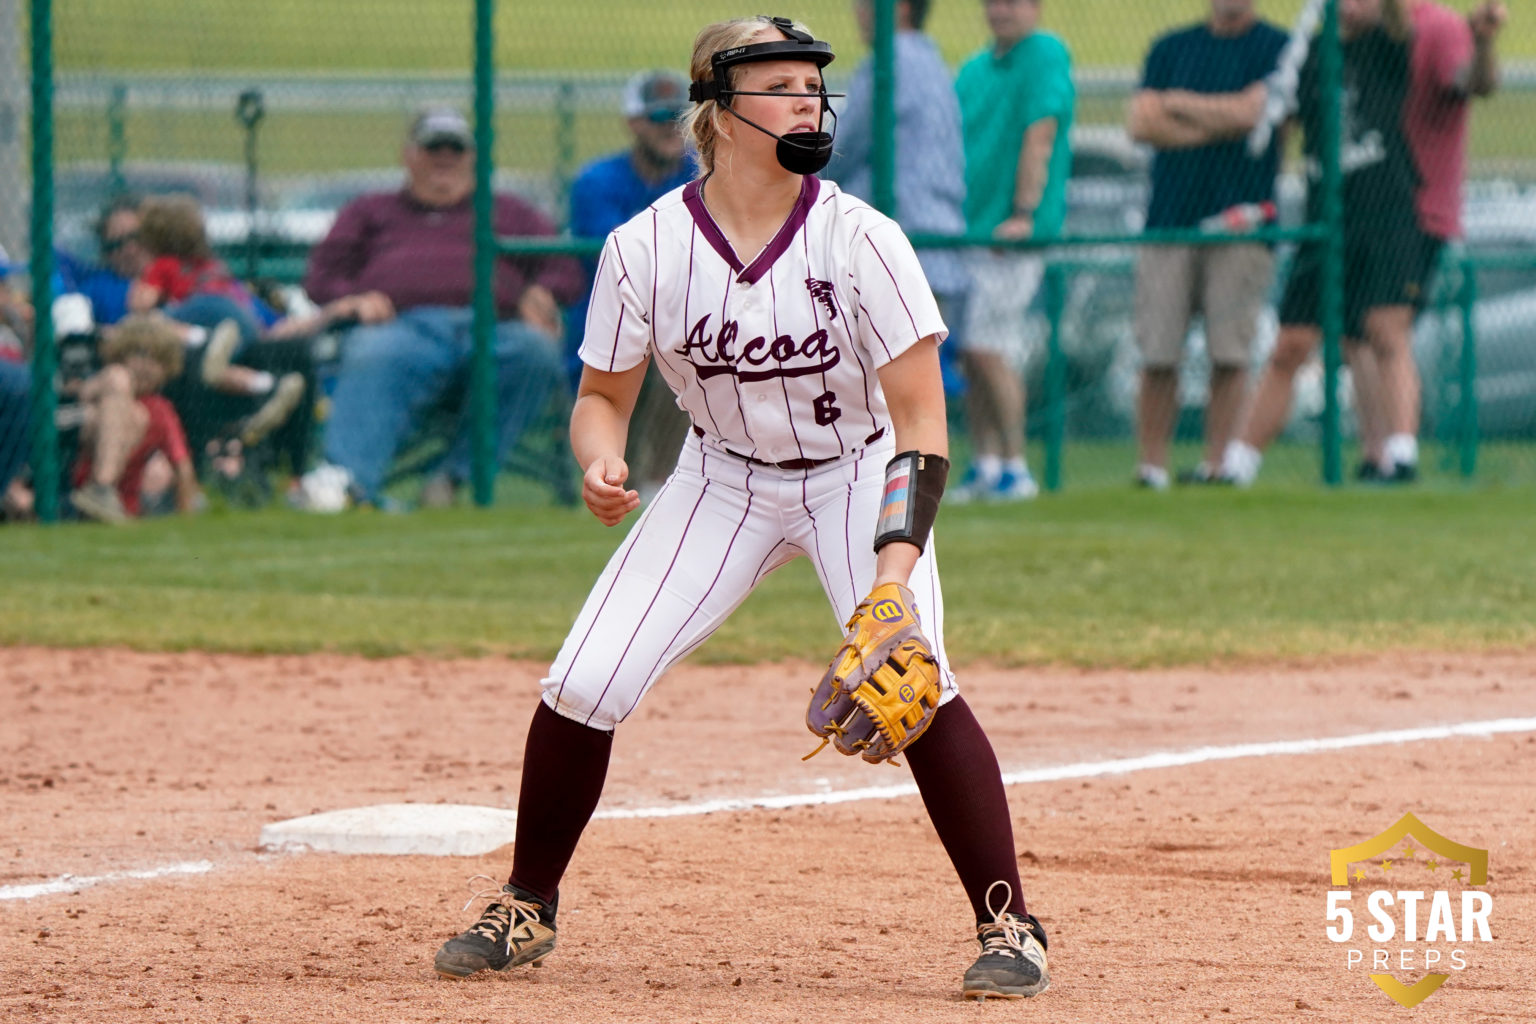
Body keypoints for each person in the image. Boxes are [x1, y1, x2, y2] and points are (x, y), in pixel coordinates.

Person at [431, 15, 1049, 1002]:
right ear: (718, 111)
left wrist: (891, 583)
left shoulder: (862, 240)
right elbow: (602, 398)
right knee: (585, 680)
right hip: (721, 480)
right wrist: (599, 460)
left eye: (814, 86)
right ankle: (526, 904)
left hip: (857, 474)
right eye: (782, 87)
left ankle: (1010, 922)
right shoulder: (646, 248)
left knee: (911, 676)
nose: (809, 103)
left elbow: (922, 426)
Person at [297, 106, 585, 510]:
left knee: (535, 350)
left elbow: (565, 268)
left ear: (473, 157)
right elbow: (322, 276)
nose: (444, 158)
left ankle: (451, 478)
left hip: (494, 329)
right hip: (401, 329)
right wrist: (354, 299)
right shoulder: (370, 210)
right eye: (433, 148)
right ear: (408, 155)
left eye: (456, 149)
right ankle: (345, 484)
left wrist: (543, 292)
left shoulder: (510, 211)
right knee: (374, 352)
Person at [1220, 0, 1421, 486]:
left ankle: (1401, 456)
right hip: (1324, 216)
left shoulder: (1385, 45)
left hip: (1384, 215)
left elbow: (1398, 20)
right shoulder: (1306, 54)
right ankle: (1236, 466)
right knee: (1290, 344)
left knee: (1385, 330)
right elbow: (1277, 124)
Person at [1126, 0, 1287, 489]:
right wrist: (1225, 117)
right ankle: (1152, 467)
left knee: (1229, 354)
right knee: (1158, 353)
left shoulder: (1276, 48)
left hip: (1242, 226)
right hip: (1169, 223)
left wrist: (1177, 103)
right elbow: (1141, 123)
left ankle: (1219, 465)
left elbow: (1255, 113)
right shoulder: (1171, 48)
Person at [1349, 0, 1506, 479]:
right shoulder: (1356, 27)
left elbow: (1474, 84)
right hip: (1361, 207)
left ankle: (1402, 455)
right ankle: (1374, 455)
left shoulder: (1437, 27)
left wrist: (1482, 44)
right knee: (1355, 336)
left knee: (1387, 328)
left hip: (1417, 210)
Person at [824, 0, 970, 446]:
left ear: (899, 8)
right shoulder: (929, 57)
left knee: (887, 393)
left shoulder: (891, 60)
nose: (857, 12)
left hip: (900, 244)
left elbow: (843, 145)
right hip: (937, 239)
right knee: (916, 392)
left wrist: (791, 174)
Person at [952, 0, 1074, 501]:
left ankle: (1016, 466)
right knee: (969, 353)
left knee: (989, 348)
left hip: (1012, 238)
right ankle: (985, 465)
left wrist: (1024, 212)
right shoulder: (973, 70)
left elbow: (1040, 135)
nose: (1000, 10)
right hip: (970, 232)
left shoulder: (1045, 54)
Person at [568, 70, 698, 498]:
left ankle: (660, 484)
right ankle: (616, 479)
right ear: (634, 123)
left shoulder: (704, 176)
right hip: (610, 324)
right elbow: (627, 262)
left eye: (678, 117)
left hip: (680, 321)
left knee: (686, 353)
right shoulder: (597, 181)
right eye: (659, 117)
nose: (670, 128)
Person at [68, 313, 201, 523]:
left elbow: (182, 467)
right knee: (118, 380)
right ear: (122, 354)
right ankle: (100, 489)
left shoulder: (161, 410)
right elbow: (85, 393)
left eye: (157, 360)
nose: (146, 366)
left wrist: (187, 517)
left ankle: (101, 491)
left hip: (121, 505)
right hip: (71, 483)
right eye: (140, 354)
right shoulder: (105, 381)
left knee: (138, 415)